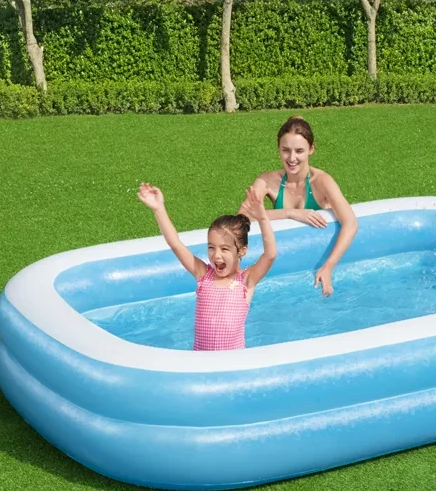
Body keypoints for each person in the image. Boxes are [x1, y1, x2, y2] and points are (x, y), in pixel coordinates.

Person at [137, 183, 276, 351]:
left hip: (233, 362)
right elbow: (175, 244)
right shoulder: (203, 275)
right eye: (211, 247)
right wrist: (159, 209)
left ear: (241, 251)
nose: (216, 255)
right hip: (200, 361)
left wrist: (262, 218)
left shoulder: (246, 280)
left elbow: (270, 255)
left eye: (224, 249)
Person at [239, 115, 358, 297]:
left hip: (318, 260)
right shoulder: (268, 180)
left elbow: (350, 223)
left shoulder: (321, 181)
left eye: (299, 151)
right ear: (278, 149)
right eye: (286, 150)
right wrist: (291, 213)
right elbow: (241, 218)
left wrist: (328, 266)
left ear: (311, 149)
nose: (292, 158)